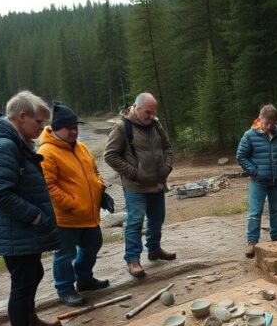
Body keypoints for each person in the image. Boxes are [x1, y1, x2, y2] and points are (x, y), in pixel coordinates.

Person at [0, 90, 59, 326]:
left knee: (32, 274)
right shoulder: (4, 146)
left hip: (20, 231)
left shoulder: (17, 141)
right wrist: (35, 216)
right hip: (15, 231)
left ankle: (31, 322)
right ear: (22, 117)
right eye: (38, 122)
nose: (42, 128)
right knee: (22, 285)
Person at [38, 103, 110, 306]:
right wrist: (71, 204)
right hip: (66, 217)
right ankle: (65, 289)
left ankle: (84, 279)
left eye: (75, 127)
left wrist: (99, 186)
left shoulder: (81, 147)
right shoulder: (46, 152)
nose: (74, 131)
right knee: (64, 255)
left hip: (89, 213)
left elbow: (94, 170)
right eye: (68, 128)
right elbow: (48, 187)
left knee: (93, 244)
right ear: (56, 128)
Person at [103, 92, 176, 279]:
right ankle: (132, 259)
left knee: (157, 219)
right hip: (135, 186)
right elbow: (110, 156)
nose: (151, 116)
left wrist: (167, 167)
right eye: (148, 113)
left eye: (154, 113)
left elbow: (167, 147)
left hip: (157, 182)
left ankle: (154, 249)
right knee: (135, 221)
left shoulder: (155, 124)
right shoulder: (122, 127)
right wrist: (134, 173)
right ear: (136, 107)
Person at [236, 104, 277, 258]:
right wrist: (254, 171)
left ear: (276, 122)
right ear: (260, 119)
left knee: (276, 211)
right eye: (266, 123)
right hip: (258, 181)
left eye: (272, 124)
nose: (269, 127)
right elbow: (241, 156)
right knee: (255, 212)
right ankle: (252, 242)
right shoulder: (249, 135)